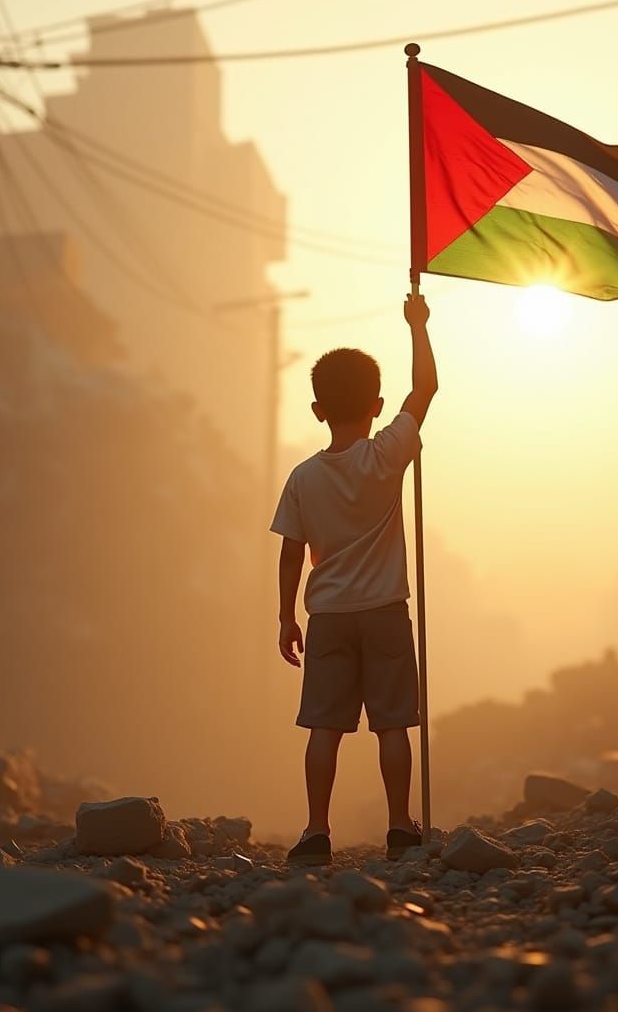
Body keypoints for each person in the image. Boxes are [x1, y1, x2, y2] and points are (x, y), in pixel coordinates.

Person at [271, 292, 438, 866]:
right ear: (376, 405)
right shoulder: (387, 454)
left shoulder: (303, 478)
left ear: (318, 410)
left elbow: (292, 552)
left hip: (329, 617)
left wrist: (286, 615)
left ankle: (317, 830)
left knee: (324, 727)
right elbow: (426, 391)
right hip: (386, 610)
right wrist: (418, 325)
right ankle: (400, 827)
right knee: (393, 725)